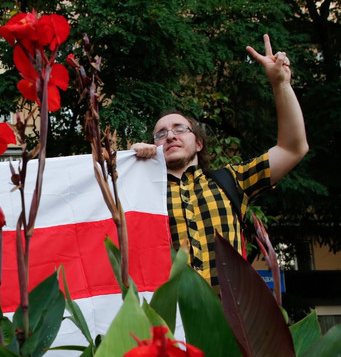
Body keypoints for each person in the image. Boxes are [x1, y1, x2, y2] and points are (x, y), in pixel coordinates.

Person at [131, 35, 309, 287]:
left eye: (180, 128)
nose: (170, 135)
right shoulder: (139, 194)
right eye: (160, 134)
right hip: (168, 319)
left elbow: (293, 148)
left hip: (230, 317)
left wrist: (281, 84)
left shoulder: (231, 180)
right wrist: (128, 165)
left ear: (199, 142)